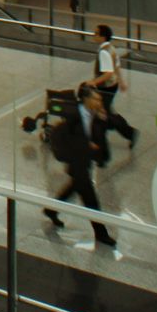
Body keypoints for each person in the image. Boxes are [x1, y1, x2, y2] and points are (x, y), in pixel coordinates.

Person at [43, 86, 117, 247]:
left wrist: (104, 120)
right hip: (77, 162)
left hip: (85, 161)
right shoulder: (74, 114)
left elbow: (108, 126)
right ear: (86, 99)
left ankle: (51, 210)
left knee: (74, 188)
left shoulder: (95, 114)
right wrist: (85, 146)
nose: (99, 101)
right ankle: (101, 233)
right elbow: (67, 135)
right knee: (91, 200)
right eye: (96, 99)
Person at [89, 25, 139, 151]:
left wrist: (93, 82)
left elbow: (108, 73)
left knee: (105, 113)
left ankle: (129, 133)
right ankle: (100, 137)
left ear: (103, 36)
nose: (94, 36)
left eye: (96, 34)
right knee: (103, 111)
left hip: (106, 87)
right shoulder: (110, 48)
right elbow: (116, 66)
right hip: (112, 85)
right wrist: (121, 81)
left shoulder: (104, 52)